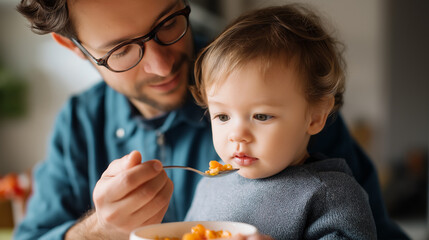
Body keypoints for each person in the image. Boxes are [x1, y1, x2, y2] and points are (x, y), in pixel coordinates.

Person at [13, 0, 408, 239]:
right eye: (122, 49)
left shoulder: (283, 83)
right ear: (73, 46)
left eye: (167, 22)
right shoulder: (81, 123)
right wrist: (100, 231)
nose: (161, 64)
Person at [184, 4, 377, 239]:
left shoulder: (329, 195)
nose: (237, 134)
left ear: (315, 116)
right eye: (223, 116)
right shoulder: (209, 186)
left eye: (261, 116)